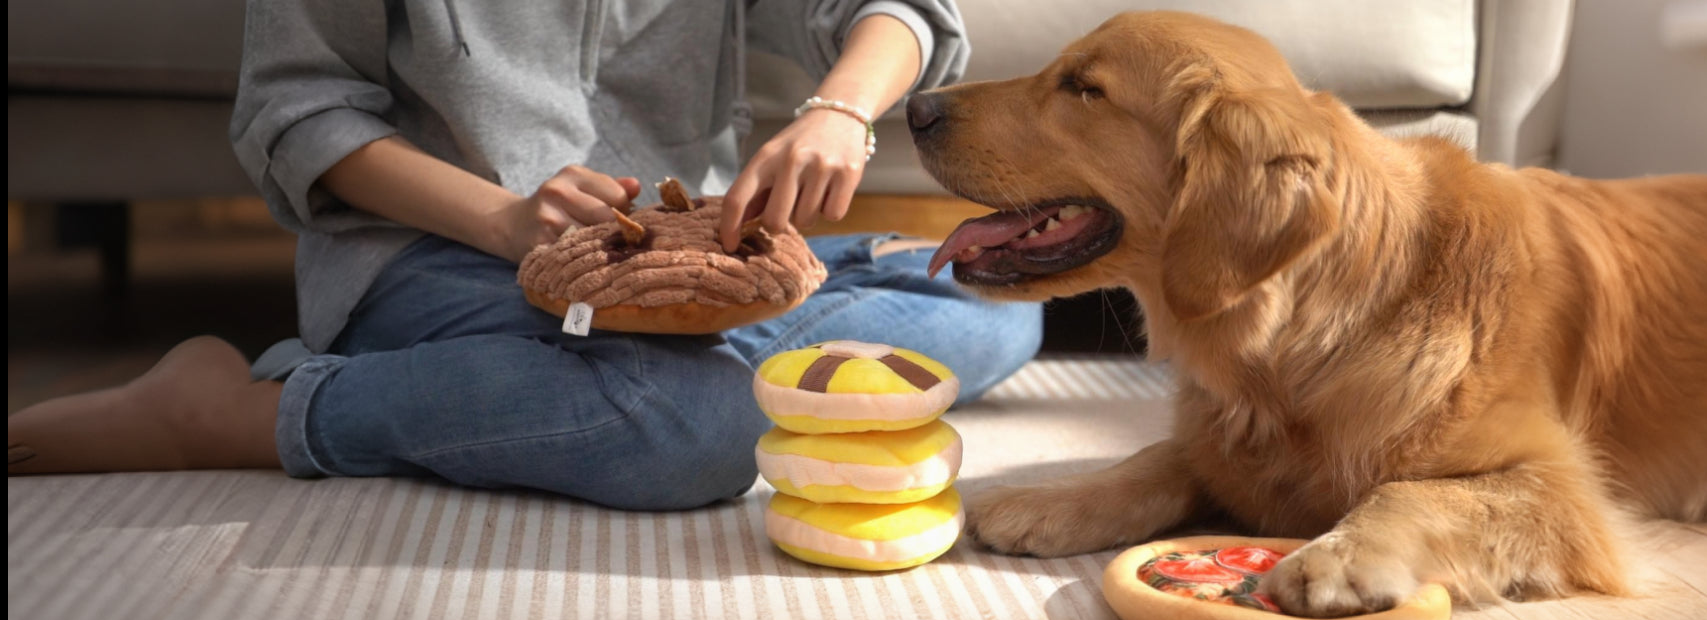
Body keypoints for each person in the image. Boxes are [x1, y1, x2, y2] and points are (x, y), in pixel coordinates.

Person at [5, 0, 1042, 510]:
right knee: (702, 428)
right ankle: (253, 409)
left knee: (1002, 295)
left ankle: (694, 349)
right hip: (439, 250)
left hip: (691, 258)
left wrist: (840, 108)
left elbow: (901, 10)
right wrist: (506, 222)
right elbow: (299, 109)